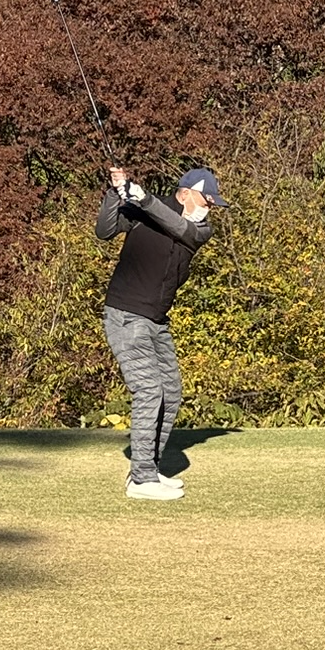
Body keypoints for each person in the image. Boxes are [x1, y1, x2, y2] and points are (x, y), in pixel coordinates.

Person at [96, 165, 222, 500]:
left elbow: (177, 226)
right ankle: (141, 480)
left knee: (171, 391)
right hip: (126, 314)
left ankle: (148, 469)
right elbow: (104, 231)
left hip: (156, 319)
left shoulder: (199, 229)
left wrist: (143, 198)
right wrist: (116, 193)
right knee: (150, 390)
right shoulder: (145, 209)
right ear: (185, 193)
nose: (208, 208)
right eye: (205, 201)